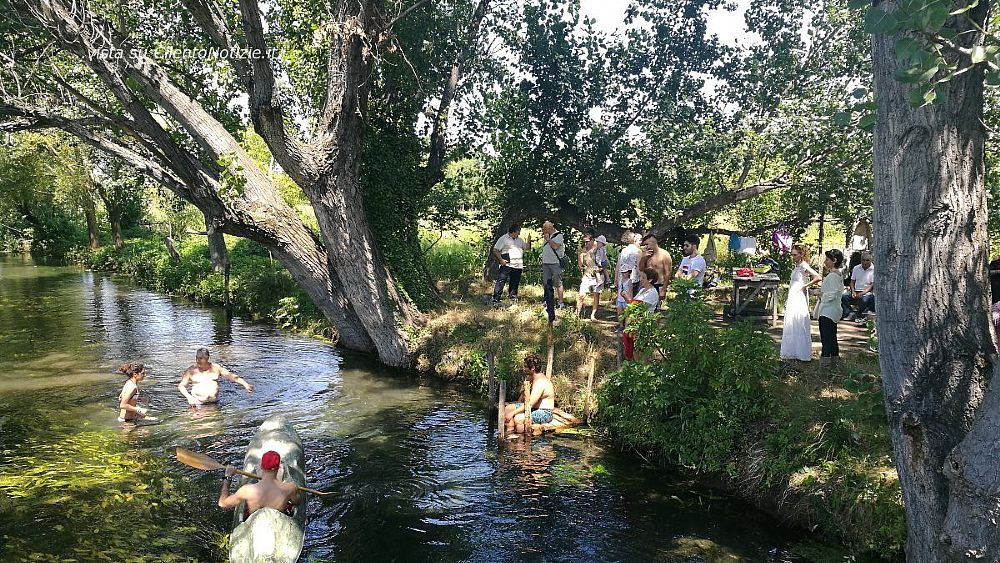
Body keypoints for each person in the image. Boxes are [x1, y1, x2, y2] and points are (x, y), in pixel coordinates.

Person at [218, 450, 301, 518]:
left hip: (255, 522)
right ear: (279, 468)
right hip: (277, 521)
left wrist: (227, 478)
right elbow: (297, 502)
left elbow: (222, 504)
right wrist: (294, 492)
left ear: (261, 466)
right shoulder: (290, 487)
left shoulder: (246, 490)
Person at [780, 244, 821, 362]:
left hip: (798, 295)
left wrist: (805, 286)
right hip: (793, 294)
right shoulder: (797, 266)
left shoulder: (803, 265)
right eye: (792, 255)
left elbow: (817, 277)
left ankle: (801, 352)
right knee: (791, 321)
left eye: (795, 255)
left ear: (801, 254)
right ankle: (792, 350)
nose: (793, 257)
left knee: (799, 321)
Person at [179, 348, 253, 406]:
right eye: (197, 358)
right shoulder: (191, 370)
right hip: (196, 403)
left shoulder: (216, 368)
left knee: (214, 424)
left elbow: (232, 376)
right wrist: (189, 397)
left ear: (207, 358)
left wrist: (245, 384)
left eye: (201, 358)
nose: (198, 360)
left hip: (214, 403)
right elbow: (181, 386)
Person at [503, 355, 555, 434]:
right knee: (508, 408)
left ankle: (520, 442)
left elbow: (530, 404)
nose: (524, 369)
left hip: (544, 412)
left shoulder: (540, 382)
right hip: (533, 408)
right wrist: (515, 407)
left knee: (518, 418)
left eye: (526, 367)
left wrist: (513, 413)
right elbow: (524, 396)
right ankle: (510, 434)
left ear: (533, 368)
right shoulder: (532, 378)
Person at [817, 249, 845, 369]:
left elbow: (831, 294)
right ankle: (835, 364)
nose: (825, 262)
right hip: (831, 310)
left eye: (827, 259)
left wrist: (819, 294)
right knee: (832, 338)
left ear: (834, 261)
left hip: (828, 311)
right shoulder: (836, 274)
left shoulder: (833, 276)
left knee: (826, 339)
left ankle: (825, 366)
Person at [491, 224, 531, 306]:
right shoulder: (503, 239)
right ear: (512, 232)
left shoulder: (519, 240)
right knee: (501, 281)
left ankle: (512, 297)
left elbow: (527, 248)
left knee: (515, 282)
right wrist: (501, 260)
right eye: (517, 232)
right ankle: (496, 298)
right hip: (507, 264)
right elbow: (495, 250)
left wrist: (529, 241)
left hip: (518, 265)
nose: (519, 234)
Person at [638, 233, 673, 304]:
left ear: (653, 243)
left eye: (647, 244)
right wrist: (643, 258)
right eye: (644, 245)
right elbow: (641, 269)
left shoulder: (664, 255)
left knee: (655, 308)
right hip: (647, 285)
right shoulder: (646, 254)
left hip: (659, 285)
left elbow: (668, 273)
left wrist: (664, 290)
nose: (646, 247)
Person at [615, 232, 641, 326]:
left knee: (620, 302)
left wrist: (616, 279)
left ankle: (621, 325)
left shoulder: (623, 251)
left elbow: (618, 266)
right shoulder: (638, 251)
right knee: (631, 303)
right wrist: (643, 278)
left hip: (622, 279)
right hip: (633, 279)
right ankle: (629, 325)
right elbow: (639, 266)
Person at [842, 251, 875, 323]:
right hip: (856, 291)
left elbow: (872, 285)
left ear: (871, 260)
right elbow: (852, 281)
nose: (865, 262)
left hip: (867, 292)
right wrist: (853, 291)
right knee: (844, 296)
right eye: (863, 260)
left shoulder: (874, 270)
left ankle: (859, 315)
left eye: (867, 260)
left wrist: (862, 293)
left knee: (865, 299)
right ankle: (850, 313)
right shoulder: (856, 268)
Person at [540, 221, 566, 308]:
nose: (543, 230)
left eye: (544, 229)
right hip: (546, 263)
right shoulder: (547, 236)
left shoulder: (559, 235)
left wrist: (548, 239)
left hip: (555, 263)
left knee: (558, 283)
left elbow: (555, 246)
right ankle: (548, 301)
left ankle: (561, 302)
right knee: (546, 283)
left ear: (550, 228)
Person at [576, 236, 602, 320]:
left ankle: (593, 315)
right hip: (587, 275)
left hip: (597, 275)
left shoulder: (598, 250)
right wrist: (580, 255)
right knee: (581, 295)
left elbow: (604, 263)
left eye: (587, 242)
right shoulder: (583, 251)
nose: (585, 244)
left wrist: (599, 269)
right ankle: (577, 314)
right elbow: (580, 266)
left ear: (592, 240)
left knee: (596, 295)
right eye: (584, 242)